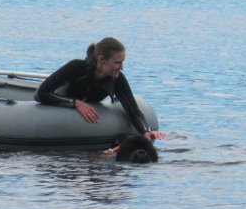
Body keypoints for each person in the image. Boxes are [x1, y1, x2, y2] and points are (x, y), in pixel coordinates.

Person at [35, 37, 164, 143]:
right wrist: (76, 104)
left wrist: (146, 131)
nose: (121, 67)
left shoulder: (117, 79)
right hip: (57, 111)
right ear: (101, 59)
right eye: (117, 62)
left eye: (122, 62)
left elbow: (133, 111)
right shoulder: (76, 67)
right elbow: (42, 93)